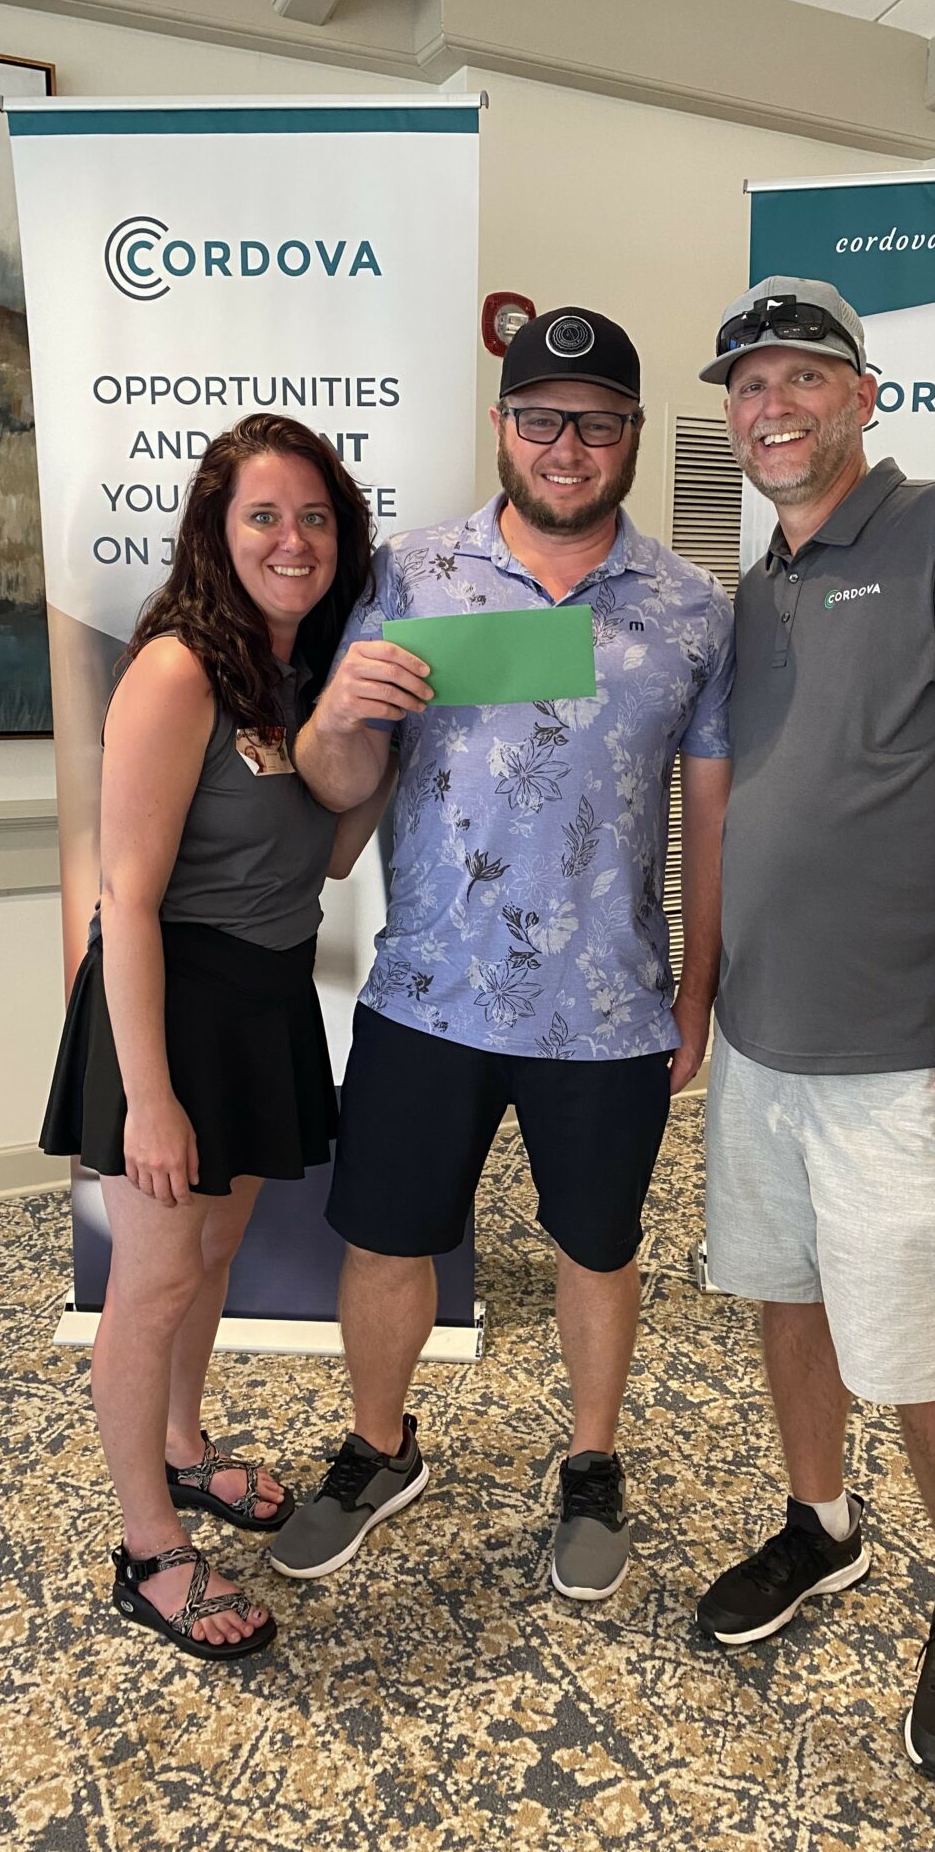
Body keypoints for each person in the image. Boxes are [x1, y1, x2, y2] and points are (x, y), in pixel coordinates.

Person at [272, 307, 734, 1601]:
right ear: (502, 427)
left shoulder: (694, 610)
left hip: (609, 1005)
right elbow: (339, 782)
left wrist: (699, 988)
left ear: (633, 434)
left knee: (599, 1245)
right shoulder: (411, 577)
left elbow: (713, 818)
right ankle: (380, 1448)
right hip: (431, 989)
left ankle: (591, 1463)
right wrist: (337, 717)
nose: (566, 447)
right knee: (387, 1237)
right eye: (540, 420)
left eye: (596, 424)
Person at [694, 278, 935, 1778]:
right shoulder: (757, 589)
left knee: (919, 1357)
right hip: (762, 1043)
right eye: (749, 385)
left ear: (864, 396)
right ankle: (824, 1527)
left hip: (906, 1056)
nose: (773, 406)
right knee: (788, 1302)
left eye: (804, 377)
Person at [41, 413, 381, 1660]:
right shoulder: (179, 669)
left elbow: (330, 857)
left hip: (266, 996)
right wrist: (149, 1097)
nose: (294, 540)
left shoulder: (303, 675)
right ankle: (149, 1552)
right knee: (152, 1282)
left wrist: (386, 744)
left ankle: (184, 1448)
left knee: (215, 1250)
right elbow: (124, 897)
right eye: (264, 516)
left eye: (315, 518)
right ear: (215, 532)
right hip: (170, 1003)